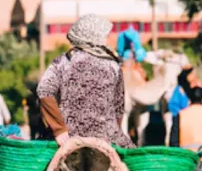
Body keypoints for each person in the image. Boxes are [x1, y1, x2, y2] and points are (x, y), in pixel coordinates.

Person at [37, 14, 134, 149]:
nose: (108, 39)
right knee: (136, 165)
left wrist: (59, 129)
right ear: (94, 36)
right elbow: (118, 108)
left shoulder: (63, 61)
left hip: (68, 136)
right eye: (105, 35)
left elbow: (44, 90)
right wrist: (113, 133)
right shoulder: (113, 65)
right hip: (107, 137)